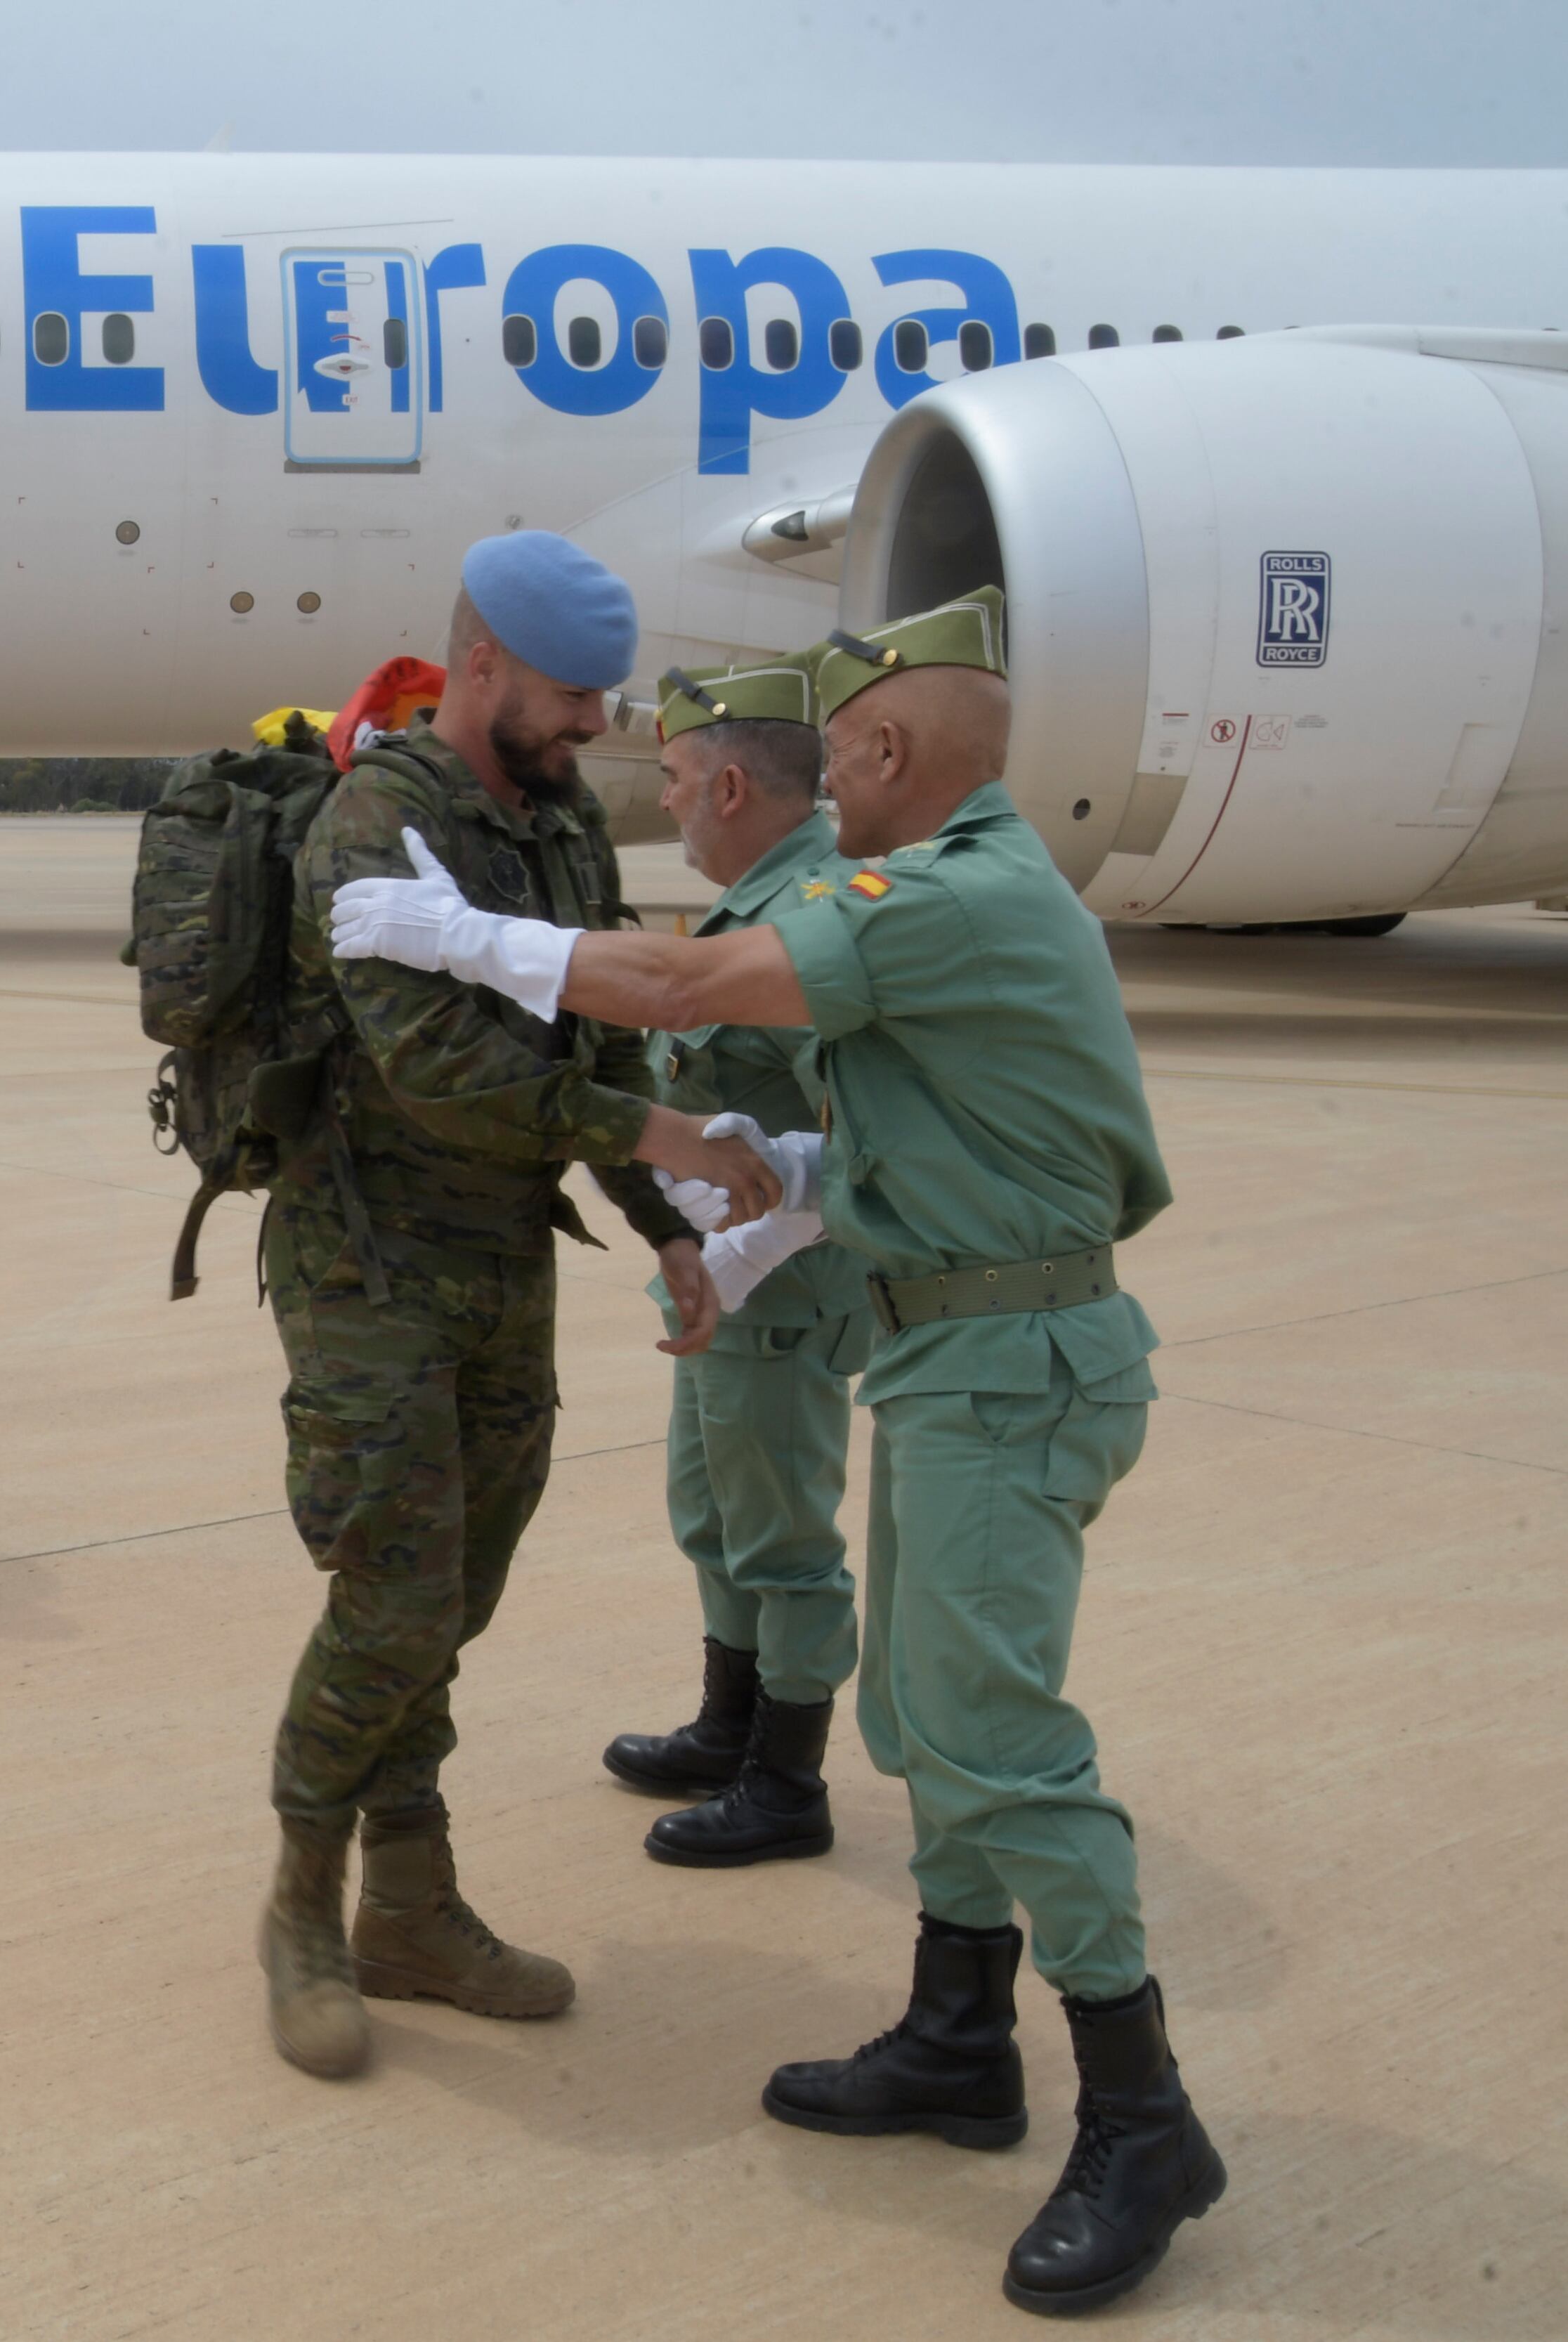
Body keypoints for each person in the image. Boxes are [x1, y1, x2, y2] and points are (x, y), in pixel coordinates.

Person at [327, 587, 1219, 2316]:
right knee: (925, 1722)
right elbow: (935, 1137)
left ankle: (1145, 2116)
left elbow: (669, 973)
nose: (819, 798)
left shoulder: (941, 895)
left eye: (841, 762)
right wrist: (778, 1188)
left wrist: (442, 934)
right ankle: (960, 2037)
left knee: (999, 1742)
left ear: (882, 751)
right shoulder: (959, 894)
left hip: (1007, 1362)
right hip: (962, 1339)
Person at [237, 532, 781, 2086]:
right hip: (362, 1266)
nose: (595, 723)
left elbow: (595, 1045)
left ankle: (410, 1906)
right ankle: (301, 1912)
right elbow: (438, 1061)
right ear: (479, 665)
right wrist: (663, 1144)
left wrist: (662, 1223)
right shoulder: (374, 822)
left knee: (453, 1595)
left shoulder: (552, 829)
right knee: (393, 1597)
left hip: (498, 1261)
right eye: (568, 694)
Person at [596, 660, 870, 1868]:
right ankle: (728, 1726)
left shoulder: (814, 912)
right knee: (714, 1518)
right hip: (719, 1285)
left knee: (784, 1539)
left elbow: (865, 1126)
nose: (665, 803)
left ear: (732, 782)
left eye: (672, 779)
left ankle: (787, 1778)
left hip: (782, 1291)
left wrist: (763, 1239)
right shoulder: (756, 901)